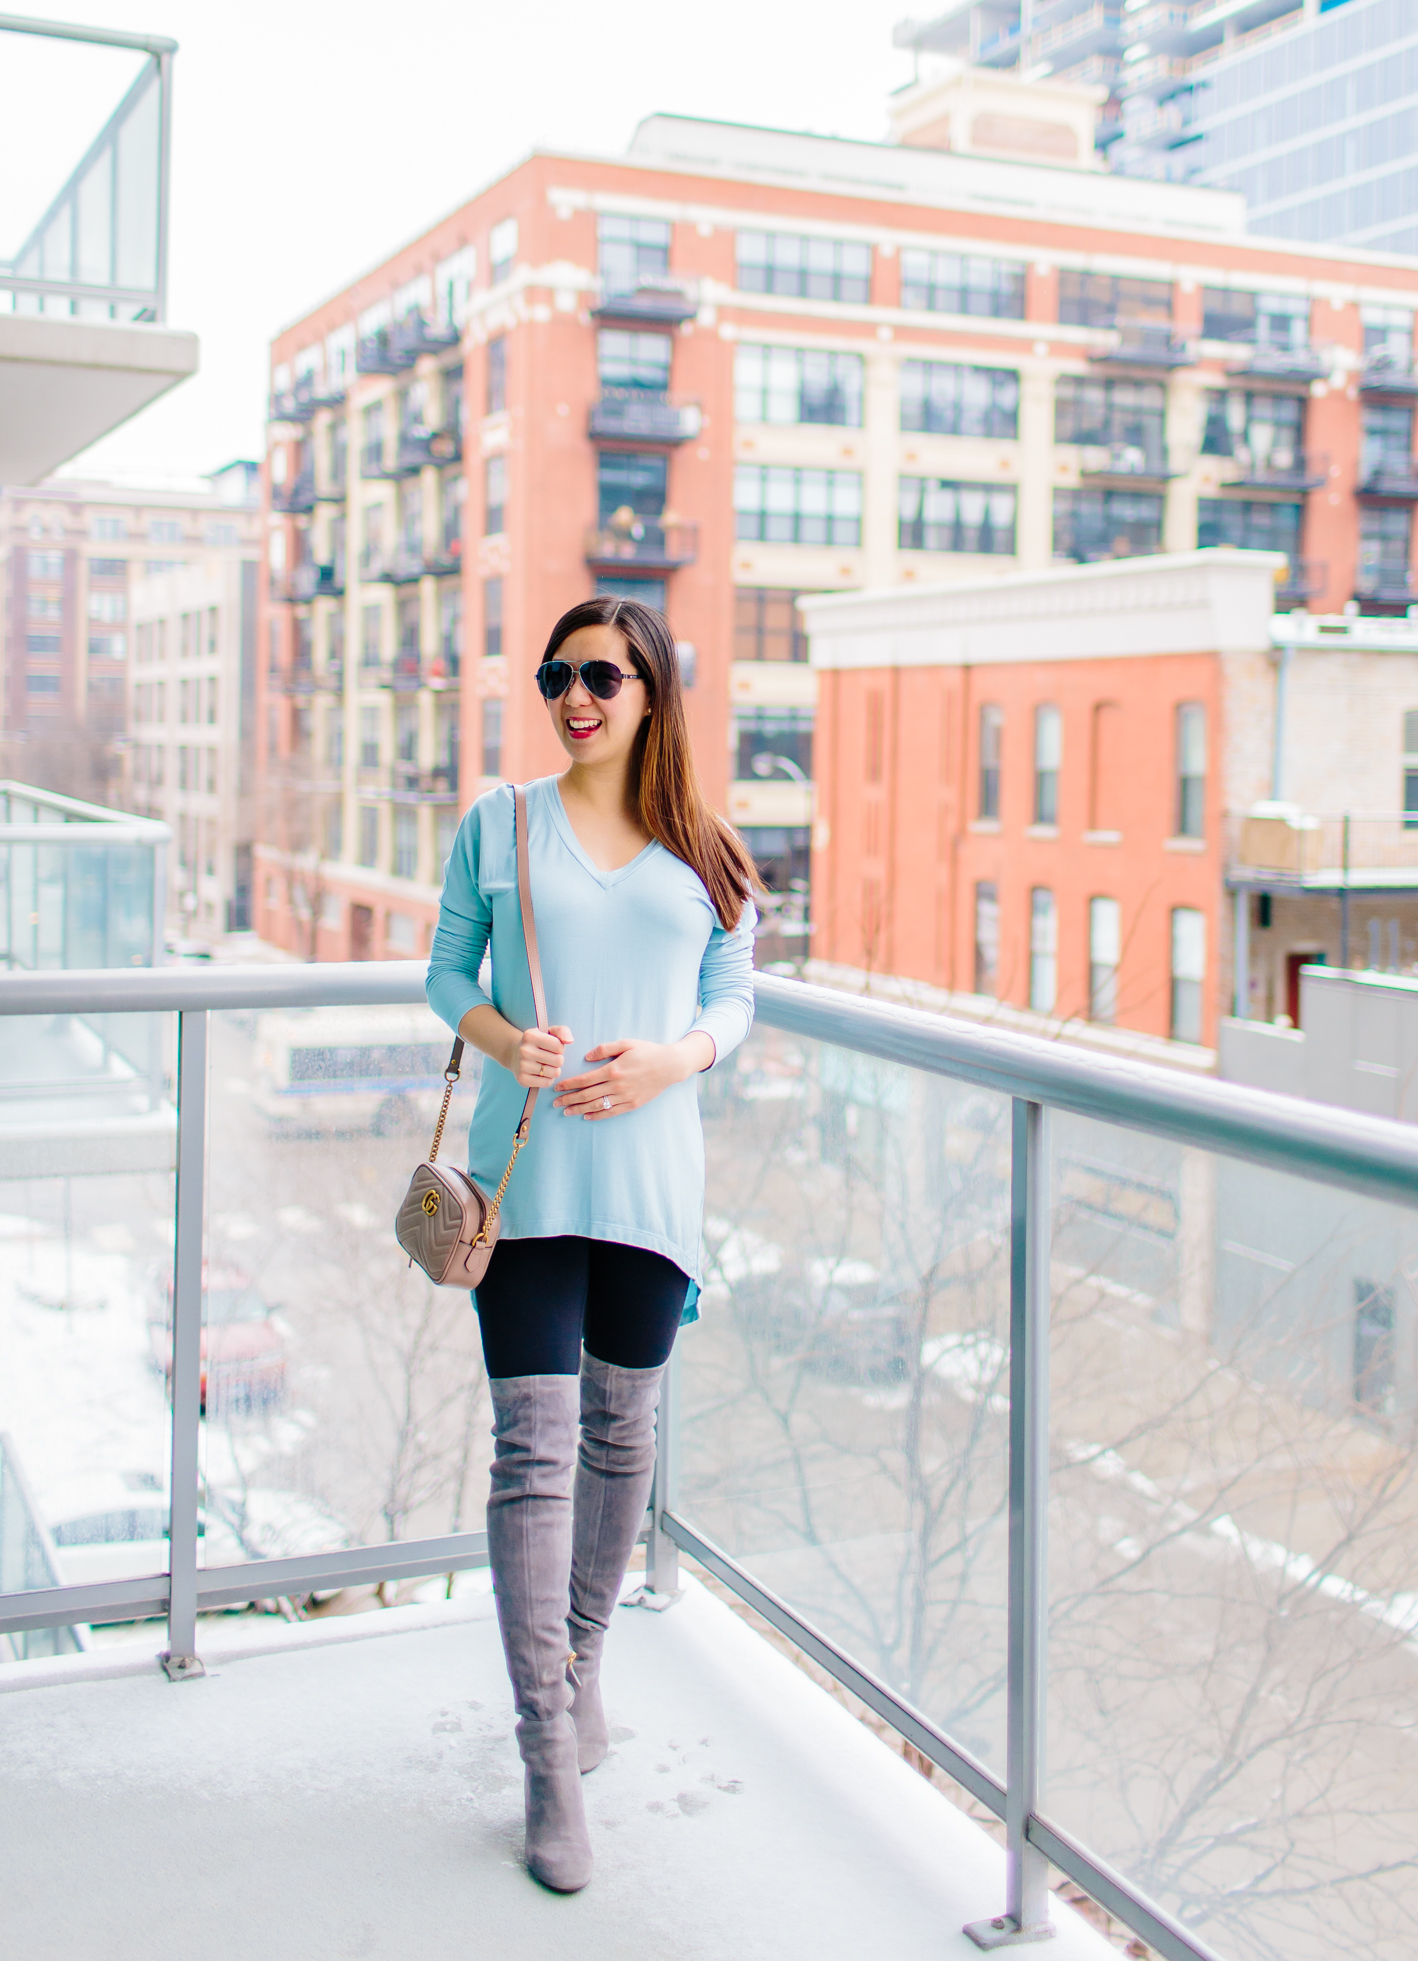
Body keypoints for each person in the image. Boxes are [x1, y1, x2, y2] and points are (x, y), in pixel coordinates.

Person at [425, 595, 758, 1892]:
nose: (575, 695)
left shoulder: (706, 847)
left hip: (654, 1187)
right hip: (526, 1183)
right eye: (559, 674)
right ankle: (546, 1749)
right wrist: (512, 1040)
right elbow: (447, 977)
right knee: (535, 1449)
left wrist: (676, 1056)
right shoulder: (497, 827)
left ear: (651, 692)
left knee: (627, 1434)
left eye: (601, 675)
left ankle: (579, 1660)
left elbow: (737, 998)